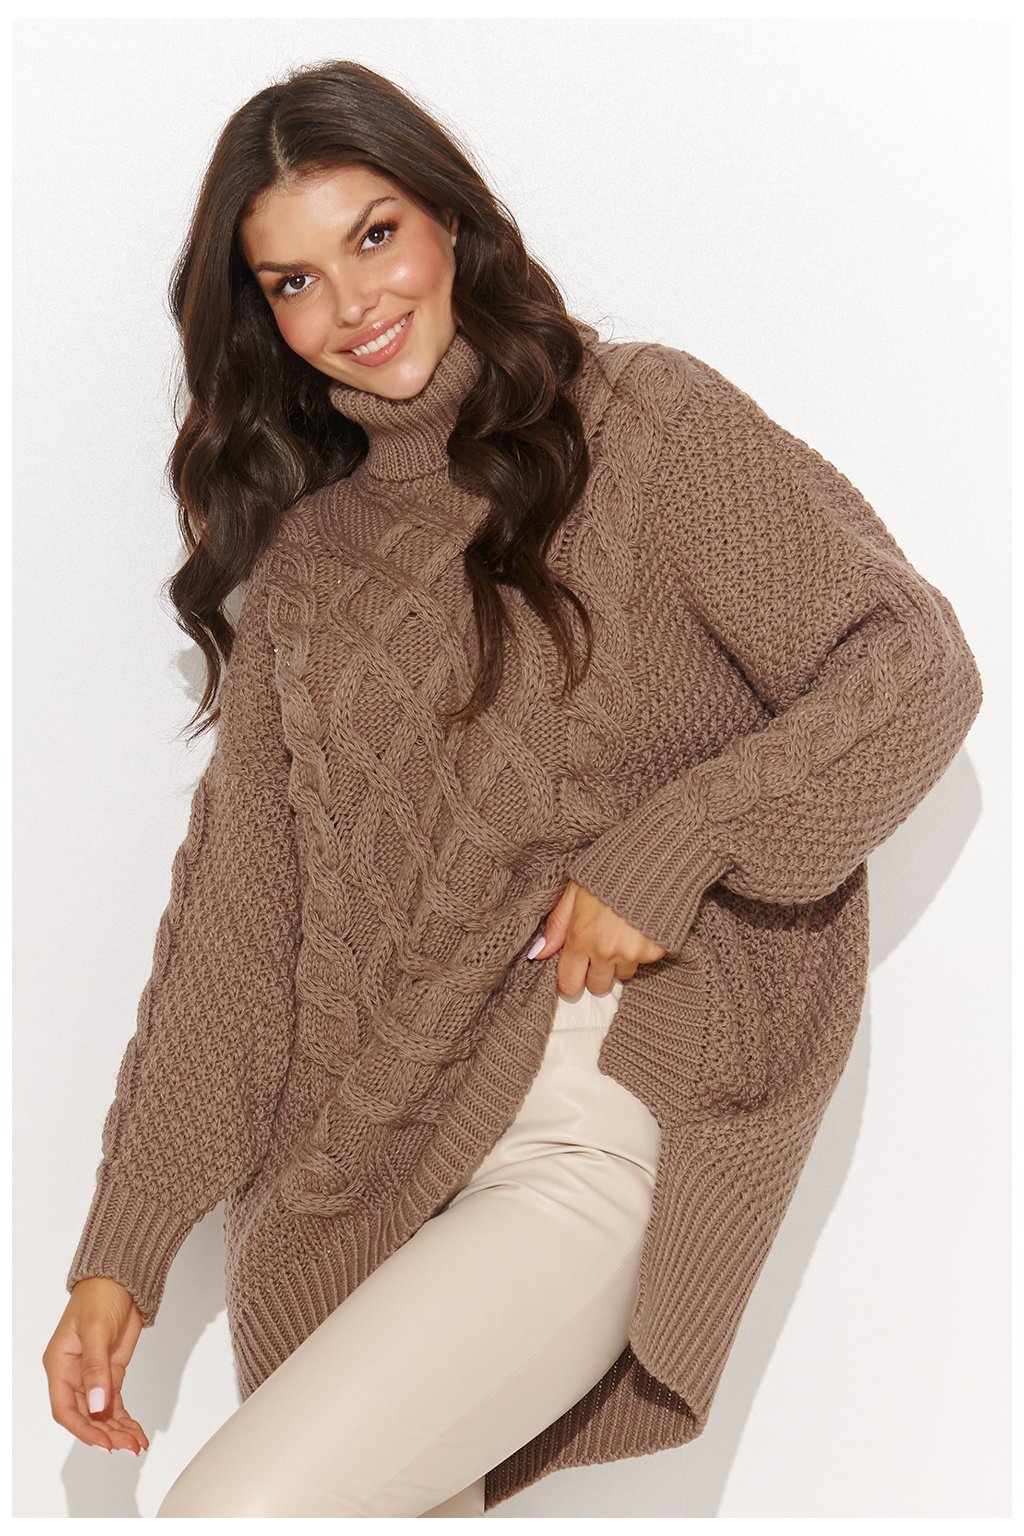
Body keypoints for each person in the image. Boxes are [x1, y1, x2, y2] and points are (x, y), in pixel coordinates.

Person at [42, 59, 984, 1517]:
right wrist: (126, 1245)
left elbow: (909, 663)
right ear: (263, 320)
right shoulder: (302, 572)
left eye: (375, 236)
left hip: (594, 1109)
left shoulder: (646, 423)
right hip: (370, 1163)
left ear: (451, 223)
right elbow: (235, 931)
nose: (352, 303)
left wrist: (673, 848)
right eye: (293, 282)